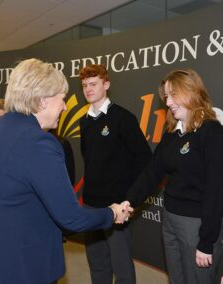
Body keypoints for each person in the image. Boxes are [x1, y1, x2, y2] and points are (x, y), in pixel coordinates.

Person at [0, 58, 132, 284]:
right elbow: (72, 218)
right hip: (5, 268)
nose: (65, 107)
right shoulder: (39, 144)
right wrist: (112, 213)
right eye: (62, 99)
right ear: (43, 101)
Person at [122, 69, 223, 284]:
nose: (168, 102)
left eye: (173, 95)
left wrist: (206, 242)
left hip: (195, 225)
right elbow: (152, 172)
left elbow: (217, 192)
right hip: (170, 218)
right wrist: (129, 201)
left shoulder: (212, 133)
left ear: (191, 92)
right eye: (166, 96)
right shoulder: (173, 134)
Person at [78, 64, 152, 284]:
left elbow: (144, 158)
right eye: (84, 85)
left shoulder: (123, 118)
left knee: (122, 268)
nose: (88, 89)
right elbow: (89, 159)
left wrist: (127, 197)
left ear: (106, 85)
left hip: (116, 207)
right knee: (97, 263)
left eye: (93, 84)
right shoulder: (85, 121)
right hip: (91, 206)